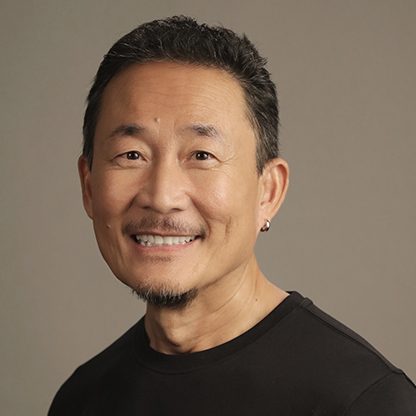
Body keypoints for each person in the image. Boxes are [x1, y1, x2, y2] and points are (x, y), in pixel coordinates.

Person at [49, 16, 416, 415]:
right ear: (89, 187)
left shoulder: (365, 400)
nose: (162, 196)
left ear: (268, 192)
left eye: (201, 155)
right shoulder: (81, 399)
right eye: (132, 155)